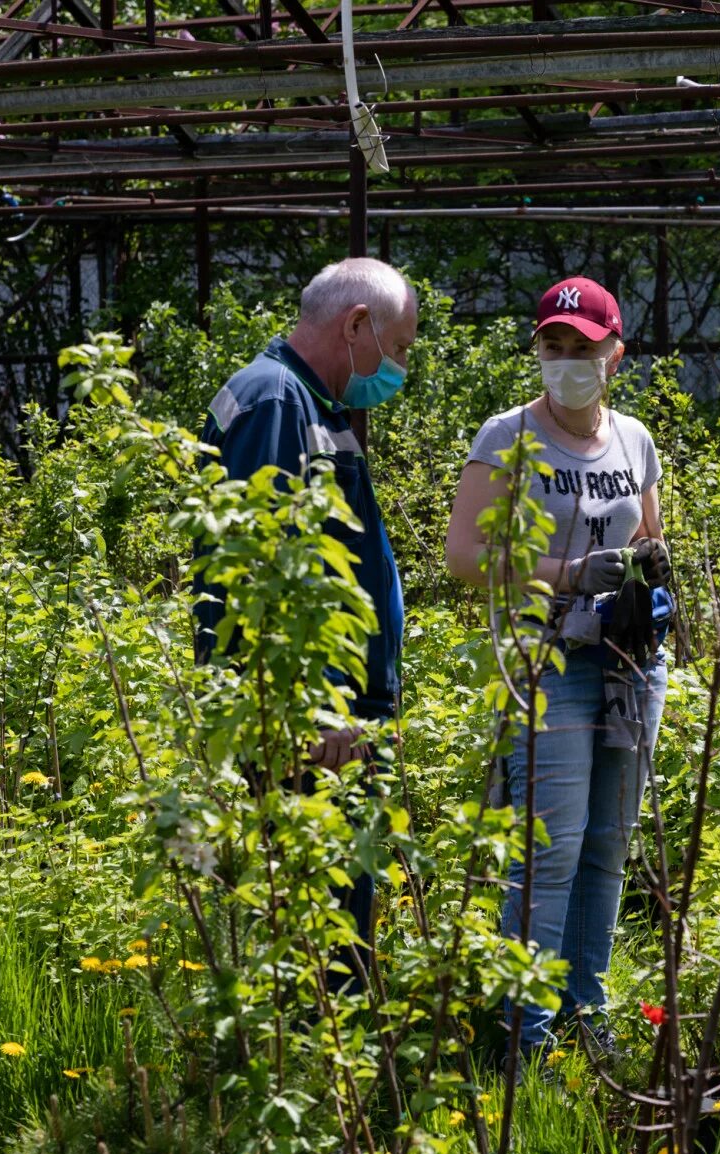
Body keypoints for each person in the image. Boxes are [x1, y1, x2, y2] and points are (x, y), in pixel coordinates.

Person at [443, 276, 670, 1063]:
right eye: (554, 347)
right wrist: (571, 572)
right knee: (549, 848)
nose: (568, 361)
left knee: (609, 841)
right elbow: (465, 555)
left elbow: (649, 544)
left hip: (630, 665)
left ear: (616, 354)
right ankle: (522, 1035)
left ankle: (586, 1010)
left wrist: (647, 575)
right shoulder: (508, 435)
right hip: (548, 662)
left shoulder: (634, 440)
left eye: (584, 349)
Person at [194, 256, 417, 986]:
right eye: (401, 346)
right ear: (357, 326)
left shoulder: (301, 400)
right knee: (324, 926)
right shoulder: (278, 403)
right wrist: (316, 709)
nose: (399, 366)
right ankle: (329, 1077)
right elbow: (264, 567)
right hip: (314, 724)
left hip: (328, 714)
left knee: (330, 913)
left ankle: (327, 1070)